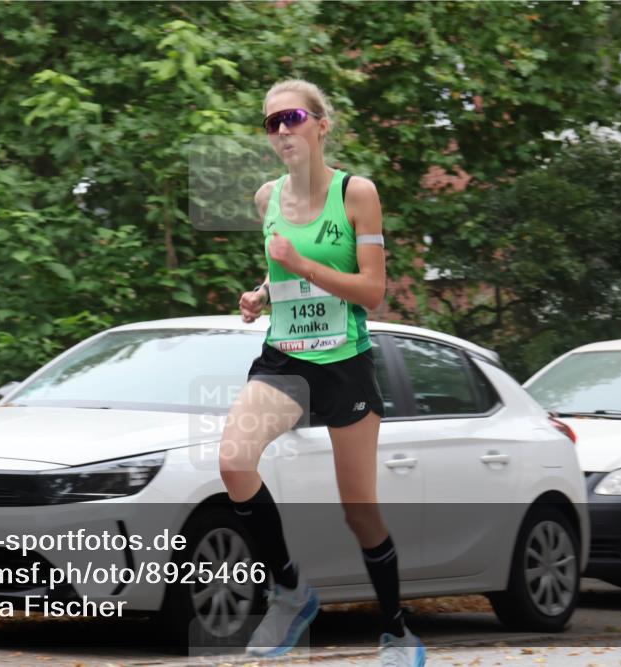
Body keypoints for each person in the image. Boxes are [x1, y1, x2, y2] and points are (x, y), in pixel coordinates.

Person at [218, 79, 427, 667]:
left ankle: (396, 631)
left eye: (292, 118)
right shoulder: (266, 198)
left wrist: (302, 263)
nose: (282, 130)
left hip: (344, 362)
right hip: (286, 356)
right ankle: (289, 590)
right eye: (272, 123)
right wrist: (262, 294)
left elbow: (373, 291)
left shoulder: (356, 193)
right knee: (234, 460)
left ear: (321, 125)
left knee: (359, 510)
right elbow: (280, 270)